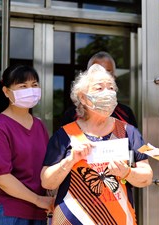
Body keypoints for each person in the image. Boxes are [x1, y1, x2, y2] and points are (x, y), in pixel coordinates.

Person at [40, 64, 153, 225]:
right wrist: (70, 160)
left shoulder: (129, 132)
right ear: (83, 98)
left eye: (111, 88)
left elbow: (147, 177)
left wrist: (127, 172)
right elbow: (46, 181)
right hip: (72, 219)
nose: (108, 93)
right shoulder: (65, 135)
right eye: (99, 88)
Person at [0, 65, 54, 225]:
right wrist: (38, 200)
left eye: (34, 85)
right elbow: (1, 178)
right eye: (23, 86)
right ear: (6, 92)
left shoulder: (39, 126)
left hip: (37, 212)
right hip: (5, 213)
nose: (31, 90)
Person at [60, 51, 138, 128]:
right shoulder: (72, 115)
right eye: (97, 72)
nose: (103, 77)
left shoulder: (125, 114)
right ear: (87, 78)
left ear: (114, 77)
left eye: (108, 73)